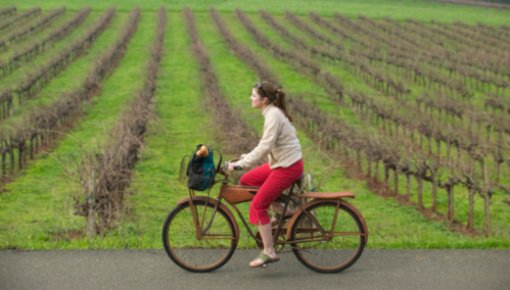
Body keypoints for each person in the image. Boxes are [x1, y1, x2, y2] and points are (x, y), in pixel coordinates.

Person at [228, 81, 304, 268]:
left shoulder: (273, 116)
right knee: (248, 180)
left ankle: (269, 251)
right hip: (279, 163)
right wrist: (244, 159)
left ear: (264, 100)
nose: (250, 98)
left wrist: (241, 164)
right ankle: (281, 209)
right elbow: (266, 146)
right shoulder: (271, 113)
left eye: (253, 95)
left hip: (288, 166)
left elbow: (265, 147)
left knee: (257, 205)